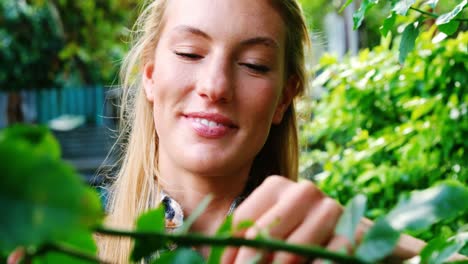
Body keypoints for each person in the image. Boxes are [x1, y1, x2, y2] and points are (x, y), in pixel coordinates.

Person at [96, 0, 425, 263]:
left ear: (284, 97)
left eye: (254, 64)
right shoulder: (65, 241)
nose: (215, 86)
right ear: (150, 76)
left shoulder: (327, 247)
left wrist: (387, 246)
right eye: (189, 53)